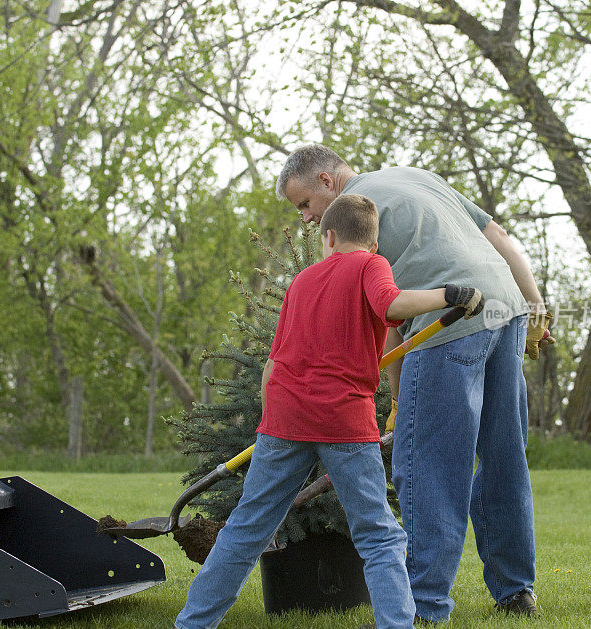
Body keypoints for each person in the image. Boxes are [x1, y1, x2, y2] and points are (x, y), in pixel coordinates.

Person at [174, 194, 485, 629]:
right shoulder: (371, 265)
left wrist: (271, 426)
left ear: (329, 236)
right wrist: (448, 294)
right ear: (373, 243)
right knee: (378, 536)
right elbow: (391, 306)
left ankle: (191, 624)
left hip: (283, 418)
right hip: (343, 419)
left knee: (245, 531)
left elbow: (272, 362)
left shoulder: (302, 281)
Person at [276, 145, 554, 623]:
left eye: (304, 205)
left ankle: (422, 604)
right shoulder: (417, 175)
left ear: (326, 181)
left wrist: (400, 402)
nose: (306, 219)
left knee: (427, 462)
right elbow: (501, 238)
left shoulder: (353, 217)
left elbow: (386, 317)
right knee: (503, 454)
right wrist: (536, 309)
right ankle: (515, 592)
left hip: (446, 322)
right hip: (505, 311)